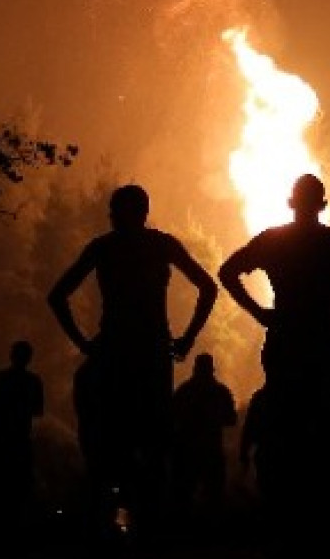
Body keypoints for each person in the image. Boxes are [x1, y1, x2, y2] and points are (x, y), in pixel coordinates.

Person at [217, 173, 330, 546]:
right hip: (323, 347)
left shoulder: (273, 242)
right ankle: (327, 522)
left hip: (284, 344)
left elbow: (227, 272)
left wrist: (260, 313)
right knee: (328, 433)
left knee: (281, 429)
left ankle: (280, 518)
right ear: (322, 204)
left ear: (291, 203)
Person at [47, 183, 220, 545]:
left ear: (126, 212)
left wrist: (84, 344)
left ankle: (109, 525)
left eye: (114, 210)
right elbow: (208, 287)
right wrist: (186, 338)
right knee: (153, 444)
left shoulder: (104, 248)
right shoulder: (162, 245)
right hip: (153, 356)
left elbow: (57, 296)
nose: (111, 216)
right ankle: (149, 527)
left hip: (115, 355)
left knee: (110, 443)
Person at [0, 339, 45, 523]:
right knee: (20, 483)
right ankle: (17, 523)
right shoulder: (33, 381)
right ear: (29, 358)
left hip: (2, 438)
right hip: (19, 438)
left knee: (0, 482)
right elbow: (38, 410)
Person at [170, 352, 238, 520]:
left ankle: (184, 533)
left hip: (188, 451)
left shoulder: (184, 391)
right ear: (211, 369)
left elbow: (171, 417)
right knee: (213, 498)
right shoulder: (220, 392)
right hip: (210, 451)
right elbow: (231, 419)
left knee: (184, 497)